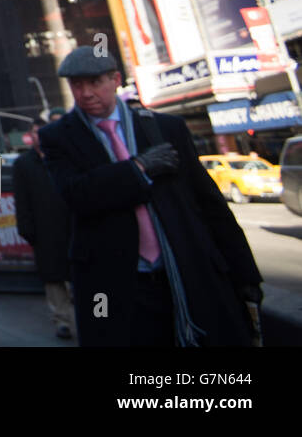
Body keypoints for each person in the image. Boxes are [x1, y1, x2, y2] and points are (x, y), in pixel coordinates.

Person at [38, 47, 264, 347]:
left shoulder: (164, 128)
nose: (86, 93)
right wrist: (139, 169)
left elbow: (210, 204)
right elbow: (77, 194)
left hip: (183, 272)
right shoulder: (57, 137)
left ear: (115, 79)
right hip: (113, 282)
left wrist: (245, 273)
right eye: (77, 85)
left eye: (94, 82)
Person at [12, 117, 74, 339]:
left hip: (72, 226)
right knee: (54, 279)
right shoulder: (24, 164)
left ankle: (97, 316)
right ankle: (62, 320)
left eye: (44, 131)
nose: (41, 136)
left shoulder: (66, 156)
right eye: (37, 132)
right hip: (45, 230)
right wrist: (27, 230)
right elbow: (22, 200)